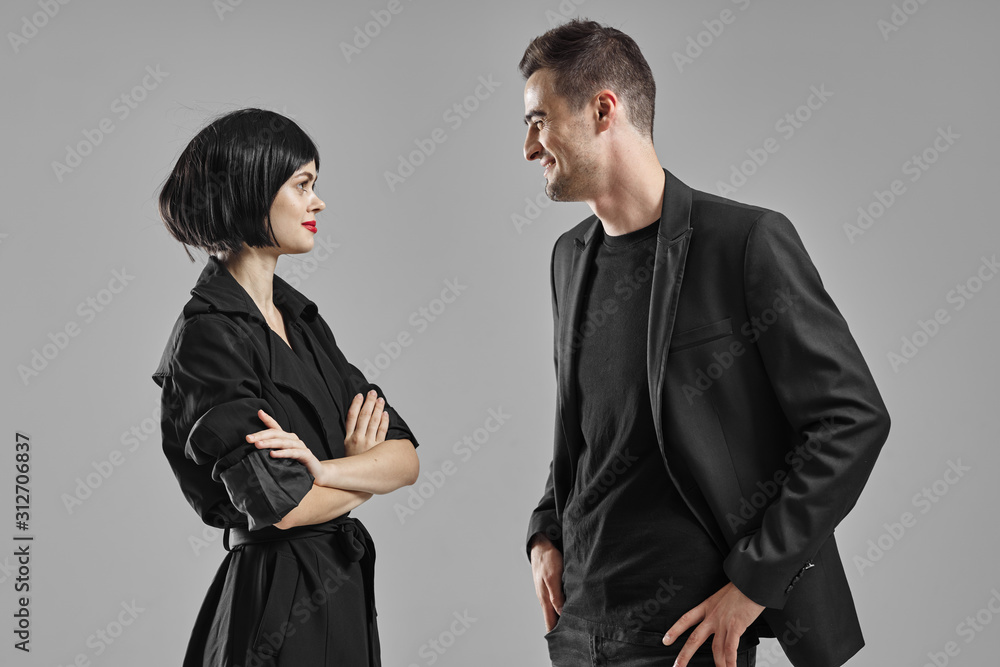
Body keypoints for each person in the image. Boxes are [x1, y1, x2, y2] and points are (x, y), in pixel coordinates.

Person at [520, 20, 891, 667]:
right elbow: (588, 427)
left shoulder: (743, 243)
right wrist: (544, 533)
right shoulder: (568, 258)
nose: (529, 147)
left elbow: (852, 419)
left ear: (603, 109)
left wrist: (755, 583)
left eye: (539, 120)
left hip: (686, 636)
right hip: (579, 629)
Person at [151, 108, 420, 666]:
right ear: (251, 191)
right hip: (275, 602)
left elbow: (405, 460)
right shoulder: (207, 338)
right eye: (302, 185)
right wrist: (360, 476)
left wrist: (324, 472)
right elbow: (283, 506)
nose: (318, 203)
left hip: (342, 590)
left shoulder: (301, 320)